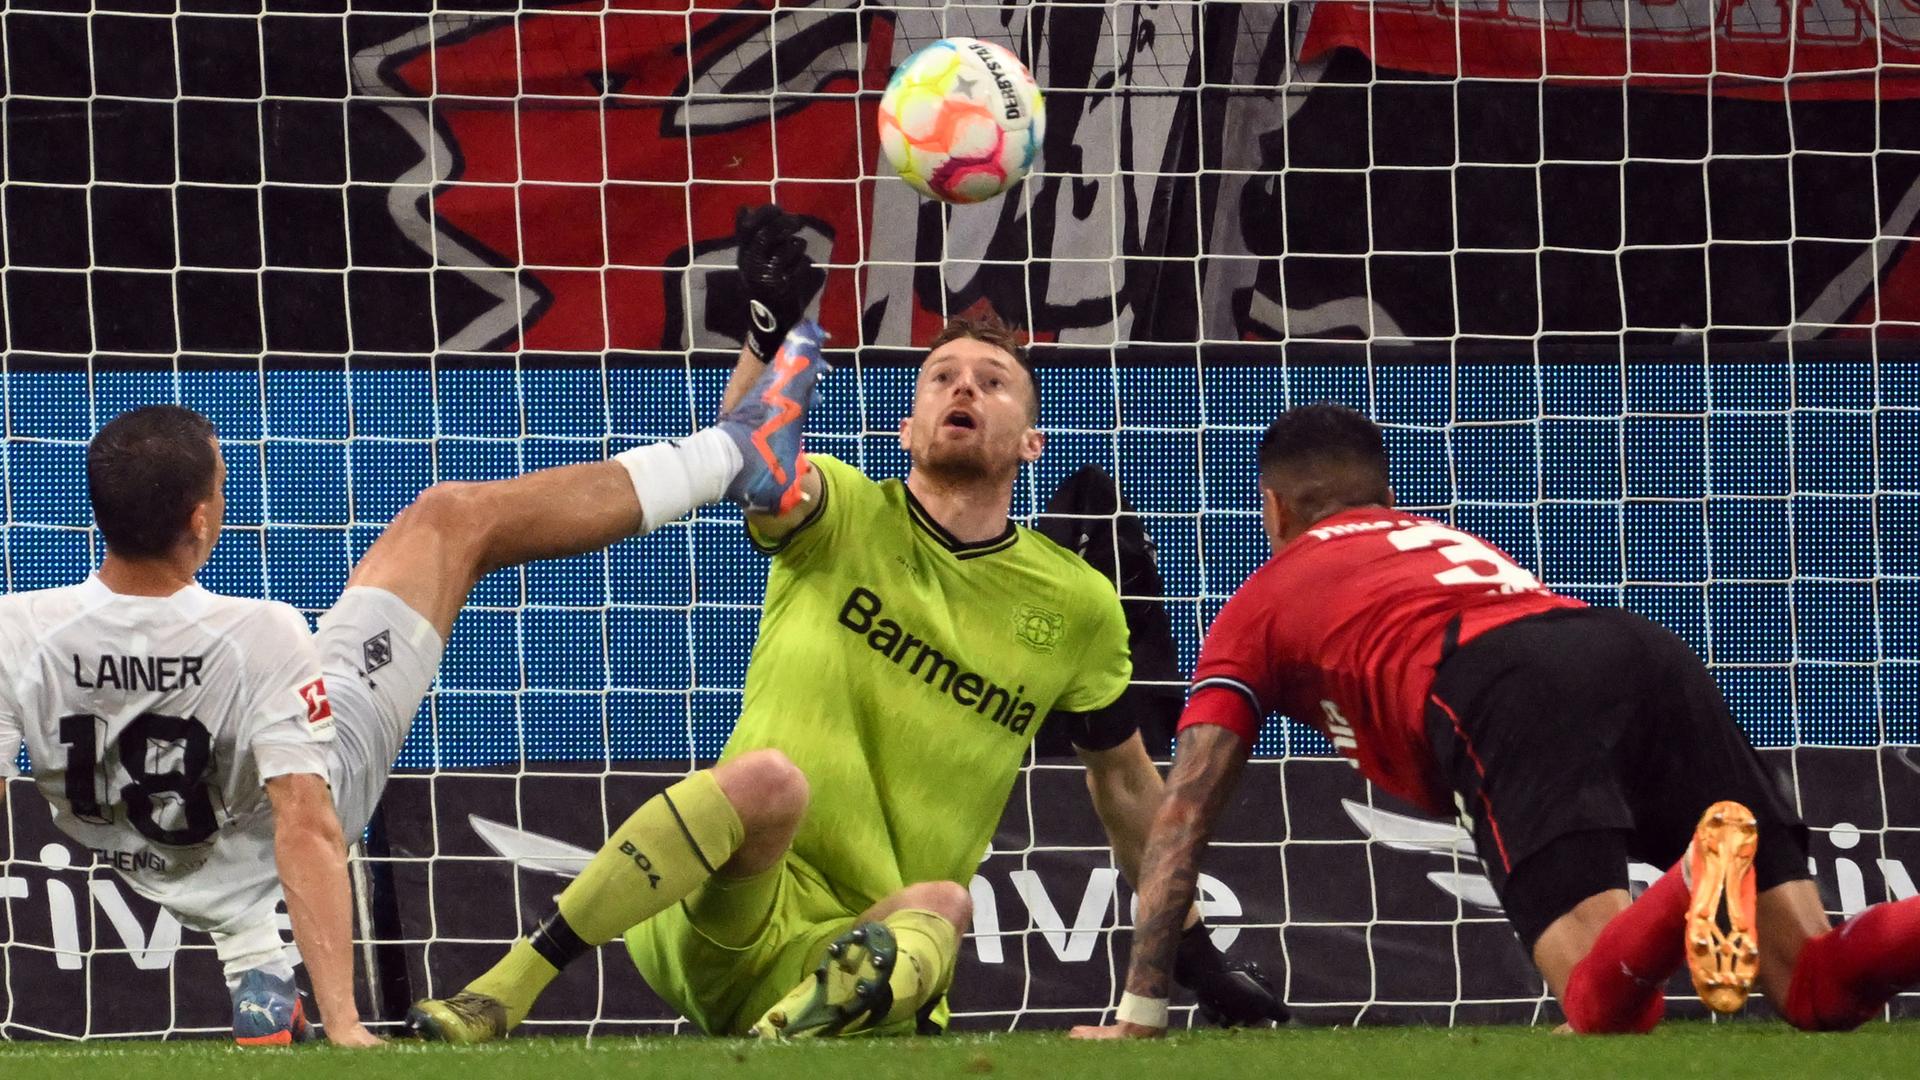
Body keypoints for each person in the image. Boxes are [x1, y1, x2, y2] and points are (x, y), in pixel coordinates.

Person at [406, 205, 1287, 1042]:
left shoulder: (1078, 603)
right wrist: (771, 344)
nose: (963, 387)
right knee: (766, 782)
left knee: (946, 902)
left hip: (862, 955)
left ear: (1031, 441)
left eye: (993, 381)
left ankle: (783, 1037)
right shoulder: (846, 511)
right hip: (724, 906)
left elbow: (1128, 788)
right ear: (907, 428)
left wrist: (1193, 956)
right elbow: (753, 463)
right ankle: (502, 991)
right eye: (942, 377)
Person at [0, 328, 829, 1046]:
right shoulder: (259, 632)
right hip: (280, 812)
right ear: (202, 522)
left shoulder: (16, 628)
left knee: (229, 773)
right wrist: (347, 1020)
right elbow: (309, 827)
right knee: (450, 519)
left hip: (147, 856)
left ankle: (258, 972)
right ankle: (735, 454)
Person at [1071, 402, 1920, 1038]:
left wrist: (1145, 1005)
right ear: (1382, 493)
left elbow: (1180, 811)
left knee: (1604, 1006)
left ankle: (1699, 878)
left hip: (1500, 682)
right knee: (1817, 987)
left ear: (1275, 510)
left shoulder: (1256, 608)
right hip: (1634, 647)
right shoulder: (1440, 540)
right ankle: (1707, 875)